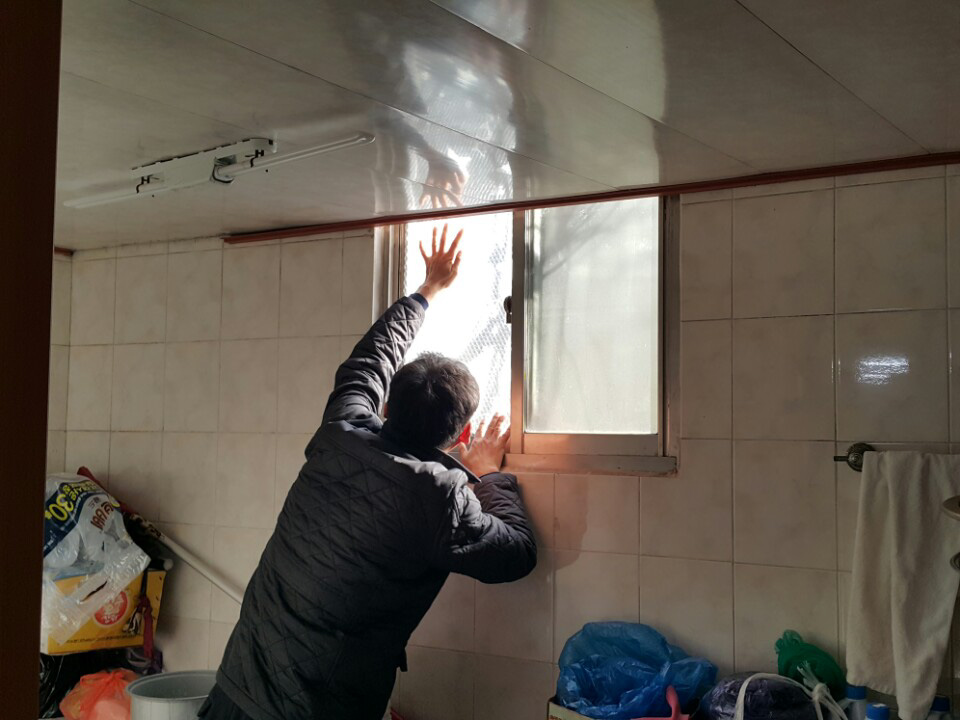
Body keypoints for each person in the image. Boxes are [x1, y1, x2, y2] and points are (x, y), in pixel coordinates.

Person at [199, 224, 537, 720]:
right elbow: (517, 554)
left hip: (238, 683)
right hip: (317, 709)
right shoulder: (440, 497)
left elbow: (369, 359)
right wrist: (488, 476)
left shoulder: (341, 430)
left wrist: (427, 290)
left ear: (386, 404)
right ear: (461, 434)